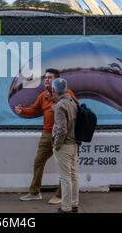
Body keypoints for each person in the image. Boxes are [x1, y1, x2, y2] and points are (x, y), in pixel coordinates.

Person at [17, 69, 75, 204]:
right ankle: (34, 192)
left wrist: (60, 107)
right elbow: (33, 109)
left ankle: (60, 195)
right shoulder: (43, 96)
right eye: (45, 77)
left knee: (63, 167)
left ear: (56, 81)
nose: (46, 80)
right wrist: (23, 110)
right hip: (47, 135)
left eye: (50, 77)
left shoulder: (67, 94)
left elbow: (75, 109)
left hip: (62, 135)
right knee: (38, 162)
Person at [51, 78, 79, 213]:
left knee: (65, 178)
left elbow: (61, 129)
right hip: (74, 144)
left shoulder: (60, 105)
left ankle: (66, 208)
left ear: (54, 90)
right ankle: (74, 204)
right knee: (73, 176)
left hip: (64, 145)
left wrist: (56, 145)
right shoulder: (73, 101)